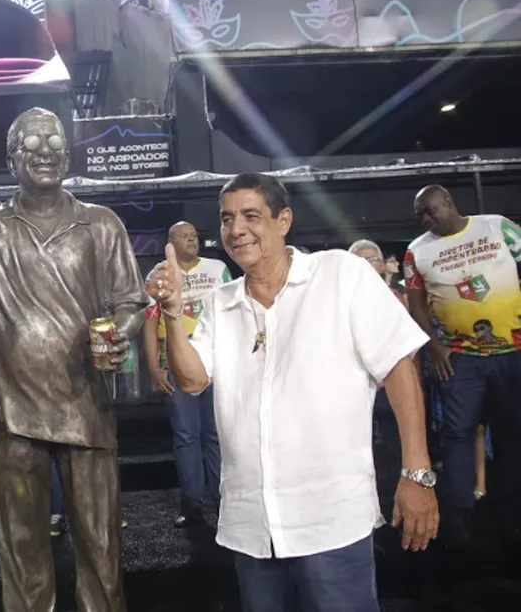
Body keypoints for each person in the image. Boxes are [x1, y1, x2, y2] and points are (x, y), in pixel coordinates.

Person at [0, 21, 148, 612]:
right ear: (12, 160)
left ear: (69, 153)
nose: (45, 153)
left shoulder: (101, 223)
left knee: (101, 552)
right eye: (31, 146)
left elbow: (131, 304)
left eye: (54, 143)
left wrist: (120, 335)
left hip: (86, 405)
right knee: (22, 557)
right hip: (10, 413)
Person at [148, 173, 438, 612]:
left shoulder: (339, 274)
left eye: (251, 215)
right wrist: (171, 315)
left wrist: (416, 472)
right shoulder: (221, 304)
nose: (236, 229)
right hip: (253, 528)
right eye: (227, 219)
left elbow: (399, 365)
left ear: (283, 220)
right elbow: (191, 380)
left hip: (330, 520)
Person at [404, 184, 521, 542]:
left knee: (513, 434)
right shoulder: (417, 251)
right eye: (420, 215)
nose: (426, 219)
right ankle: (457, 519)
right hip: (459, 358)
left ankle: (510, 511)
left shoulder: (498, 227)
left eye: (430, 210)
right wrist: (434, 345)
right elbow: (418, 304)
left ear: (449, 202)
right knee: (457, 435)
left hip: (513, 351)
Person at [143, 221, 228, 529]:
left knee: (216, 437)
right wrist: (154, 367)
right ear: (170, 242)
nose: (192, 239)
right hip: (175, 365)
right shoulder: (159, 276)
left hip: (217, 365)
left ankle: (224, 505)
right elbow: (150, 323)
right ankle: (192, 504)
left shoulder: (219, 269)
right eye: (184, 236)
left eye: (194, 235)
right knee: (186, 437)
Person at [348, 239, 405, 521]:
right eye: (358, 261)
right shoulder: (341, 303)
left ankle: (397, 504)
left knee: (396, 449)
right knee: (360, 451)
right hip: (356, 388)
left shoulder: (397, 298)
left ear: (382, 265)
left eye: (371, 259)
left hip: (390, 387)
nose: (366, 266)